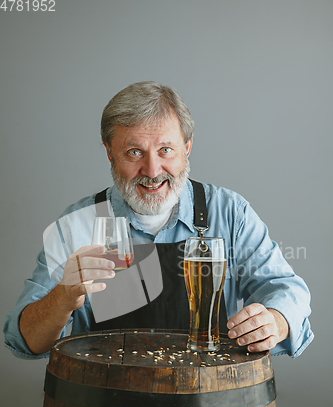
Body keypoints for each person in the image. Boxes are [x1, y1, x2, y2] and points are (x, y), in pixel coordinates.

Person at [3, 81, 313, 360]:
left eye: (165, 150)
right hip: (105, 404)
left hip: (212, 405)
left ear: (187, 148)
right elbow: (24, 340)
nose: (152, 170)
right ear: (110, 152)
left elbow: (286, 288)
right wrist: (62, 297)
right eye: (134, 152)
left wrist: (276, 320)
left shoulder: (229, 212)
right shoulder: (76, 225)